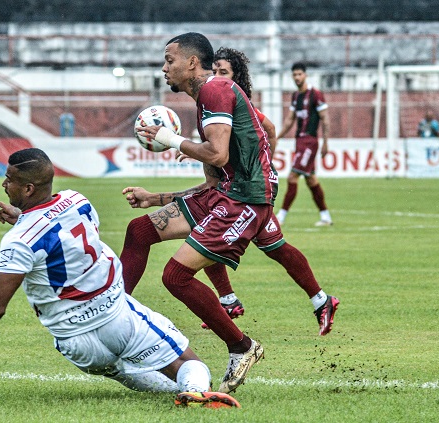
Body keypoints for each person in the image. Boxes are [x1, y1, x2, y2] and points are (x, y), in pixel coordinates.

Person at [0, 148, 240, 409]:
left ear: (27, 188)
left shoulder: (19, 239)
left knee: (124, 369)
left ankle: (169, 389)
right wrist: (23, 218)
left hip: (75, 345)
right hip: (116, 318)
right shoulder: (77, 200)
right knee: (188, 363)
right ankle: (196, 392)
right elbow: (63, 236)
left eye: (9, 179)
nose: (4, 184)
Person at [133, 33, 341, 393]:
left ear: (192, 63)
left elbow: (217, 154)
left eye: (169, 60)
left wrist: (170, 139)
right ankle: (115, 308)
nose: (164, 68)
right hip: (226, 195)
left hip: (244, 201)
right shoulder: (206, 100)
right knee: (139, 231)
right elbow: (213, 176)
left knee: (175, 276)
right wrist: (157, 198)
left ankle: (240, 345)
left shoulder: (215, 91)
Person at [275, 62, 332, 227]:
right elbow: (289, 120)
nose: (297, 77)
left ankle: (281, 216)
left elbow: (325, 119)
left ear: (305, 75)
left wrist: (326, 143)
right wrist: (277, 137)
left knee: (293, 176)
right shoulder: (296, 96)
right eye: (294, 75)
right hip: (299, 141)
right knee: (311, 179)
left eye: (300, 74)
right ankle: (326, 216)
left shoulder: (315, 95)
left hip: (310, 141)